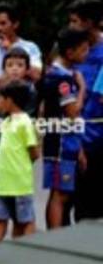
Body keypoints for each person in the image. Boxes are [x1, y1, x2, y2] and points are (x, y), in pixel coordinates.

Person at [38, 27, 90, 228]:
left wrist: (79, 148)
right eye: (83, 50)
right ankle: (54, 236)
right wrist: (82, 88)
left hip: (65, 142)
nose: (86, 54)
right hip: (60, 144)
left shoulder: (57, 73)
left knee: (61, 193)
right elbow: (72, 111)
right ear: (70, 52)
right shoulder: (62, 79)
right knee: (60, 194)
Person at [0, 80, 40, 241]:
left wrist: (20, 166)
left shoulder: (25, 122)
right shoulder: (6, 122)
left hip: (19, 184)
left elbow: (34, 152)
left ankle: (29, 250)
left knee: (25, 221)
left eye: (0, 99)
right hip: (3, 184)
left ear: (10, 100)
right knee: (0, 220)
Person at [68, 0, 103, 219]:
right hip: (72, 138)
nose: (70, 26)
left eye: (75, 21)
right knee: (70, 206)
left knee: (92, 210)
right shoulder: (70, 50)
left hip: (96, 142)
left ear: (89, 23)